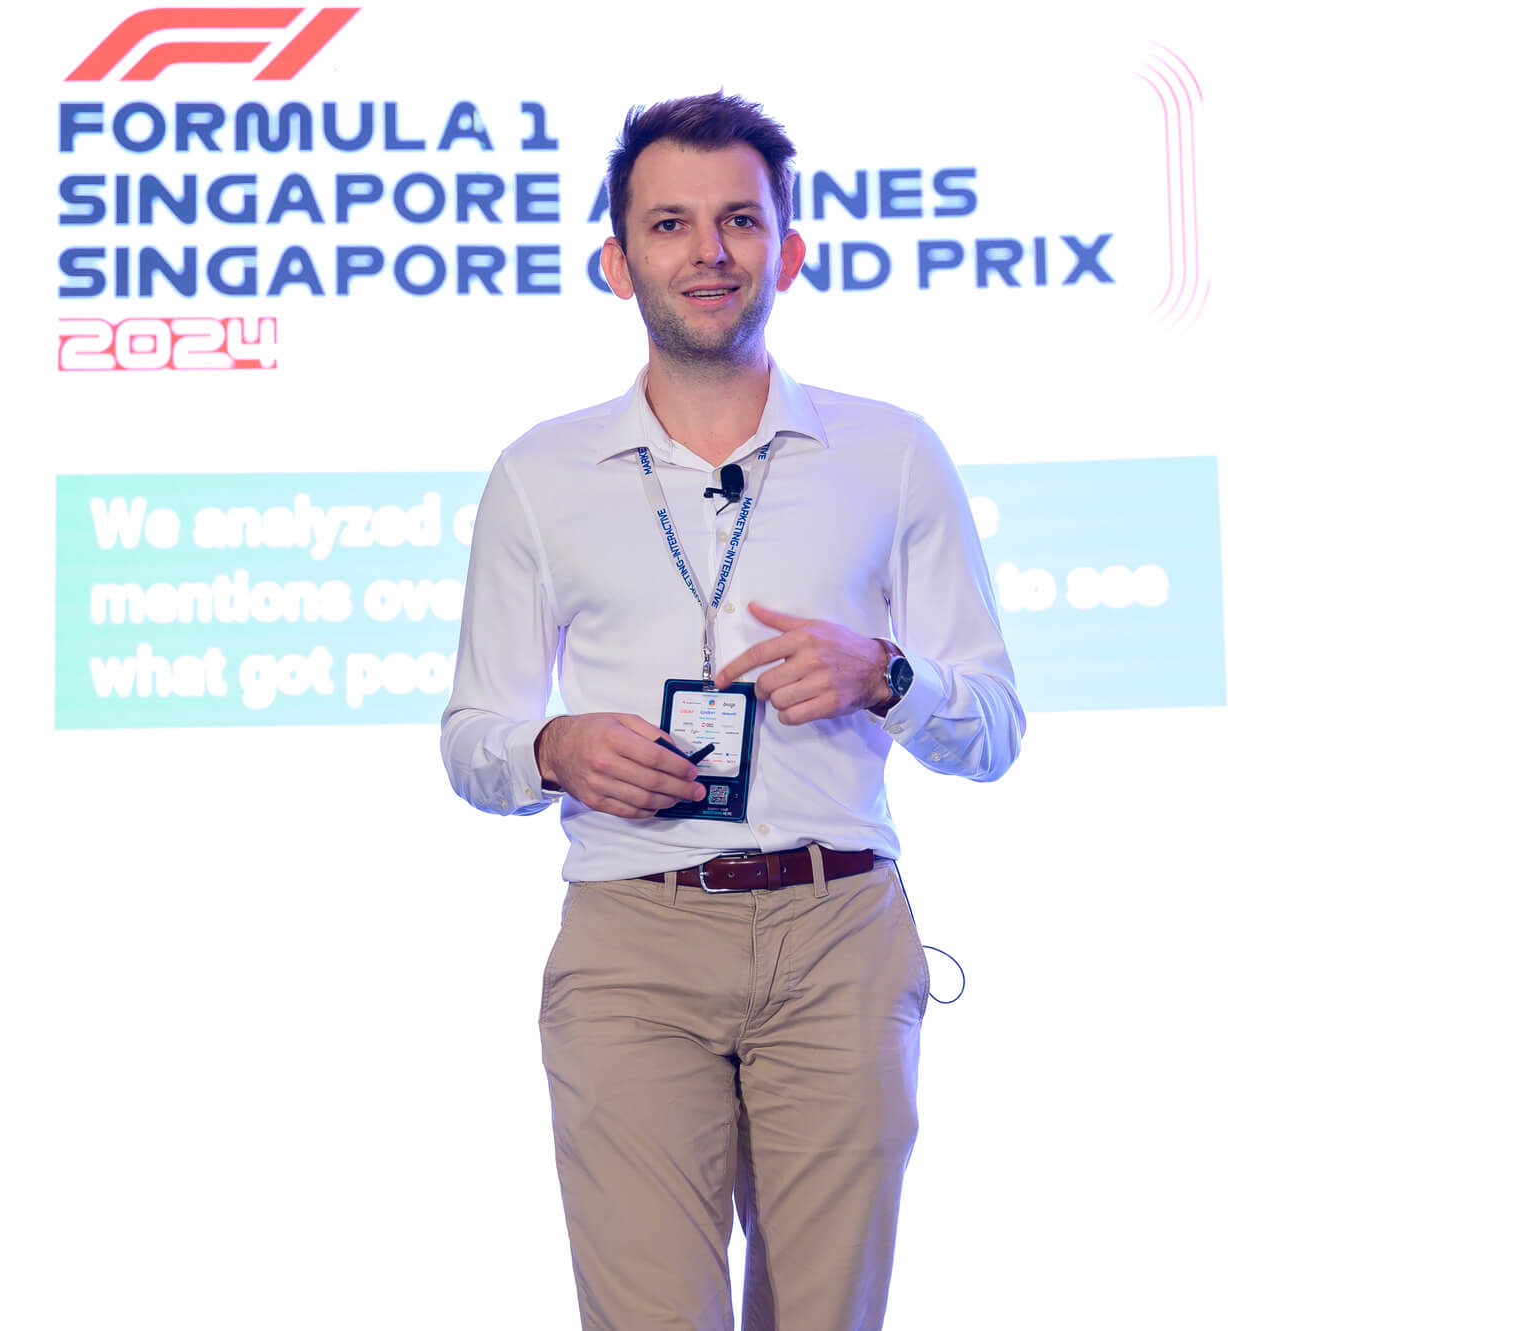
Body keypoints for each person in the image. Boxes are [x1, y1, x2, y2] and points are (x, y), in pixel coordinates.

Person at [440, 91, 1023, 1331]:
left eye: (738, 222)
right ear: (616, 261)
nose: (707, 251)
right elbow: (472, 737)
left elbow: (994, 727)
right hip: (632, 935)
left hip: (836, 927)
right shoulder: (539, 472)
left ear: (787, 249)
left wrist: (888, 675)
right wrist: (554, 746)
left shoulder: (889, 452)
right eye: (669, 224)